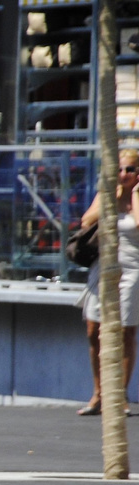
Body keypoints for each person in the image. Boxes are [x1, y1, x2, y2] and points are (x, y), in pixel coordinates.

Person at [78, 147, 139, 416]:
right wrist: (111, 199)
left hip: (132, 268)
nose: (124, 174)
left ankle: (120, 396)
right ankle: (99, 394)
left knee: (126, 331)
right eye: (121, 169)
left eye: (130, 170)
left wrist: (134, 196)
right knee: (94, 329)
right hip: (103, 266)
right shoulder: (107, 194)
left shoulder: (138, 197)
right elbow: (86, 221)